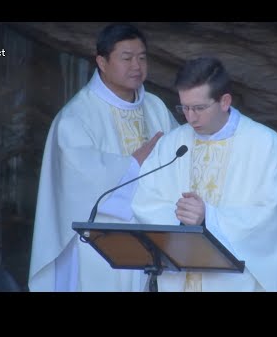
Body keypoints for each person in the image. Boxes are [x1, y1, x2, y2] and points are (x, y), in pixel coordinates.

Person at [131, 56, 277, 292]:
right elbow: (145, 200)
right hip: (179, 280)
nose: (190, 117)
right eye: (184, 107)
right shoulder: (171, 145)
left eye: (199, 108)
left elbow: (273, 220)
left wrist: (210, 217)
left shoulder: (265, 145)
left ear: (225, 101)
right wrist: (180, 217)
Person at [28, 23, 179, 292]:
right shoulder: (76, 115)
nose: (136, 65)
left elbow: (181, 158)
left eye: (142, 57)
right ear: (102, 62)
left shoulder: (155, 107)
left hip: (149, 236)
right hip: (98, 244)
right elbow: (79, 180)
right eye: (126, 57)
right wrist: (134, 163)